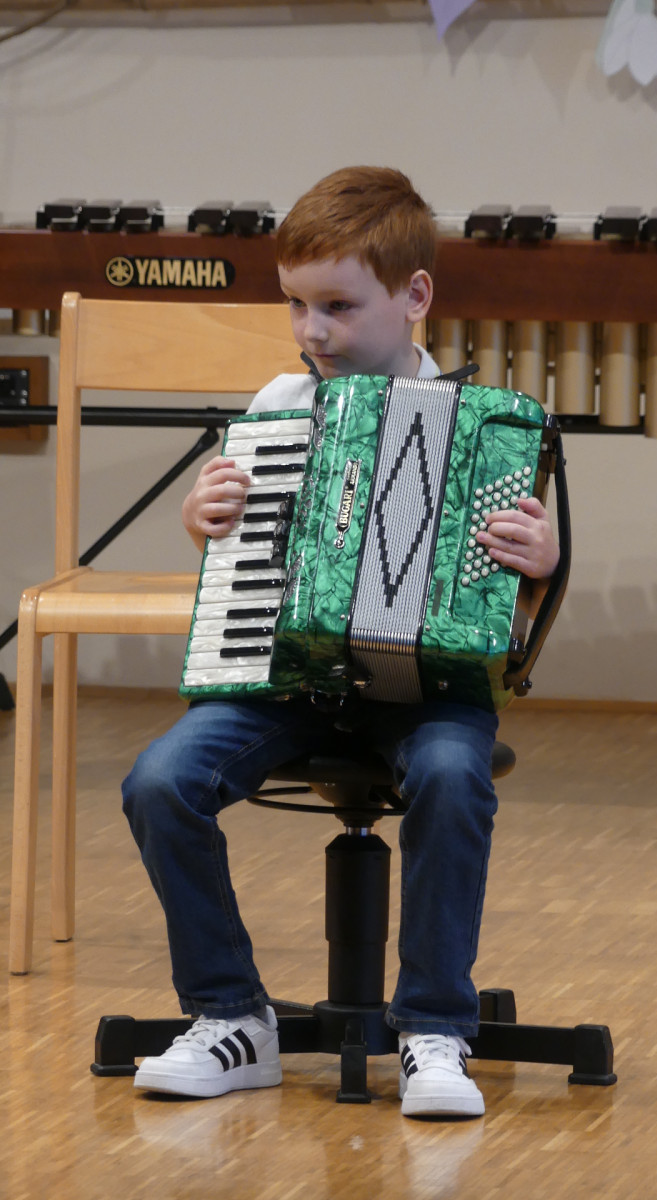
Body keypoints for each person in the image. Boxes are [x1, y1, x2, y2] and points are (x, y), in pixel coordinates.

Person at [122, 166, 560, 1118]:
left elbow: (516, 605)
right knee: (159, 782)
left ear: (414, 296)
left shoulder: (484, 431)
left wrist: (539, 562)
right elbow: (243, 557)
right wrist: (205, 522)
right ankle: (232, 1017)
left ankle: (434, 1029)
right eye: (295, 305)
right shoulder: (278, 404)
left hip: (429, 694)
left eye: (337, 306)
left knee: (451, 775)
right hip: (285, 685)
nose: (311, 331)